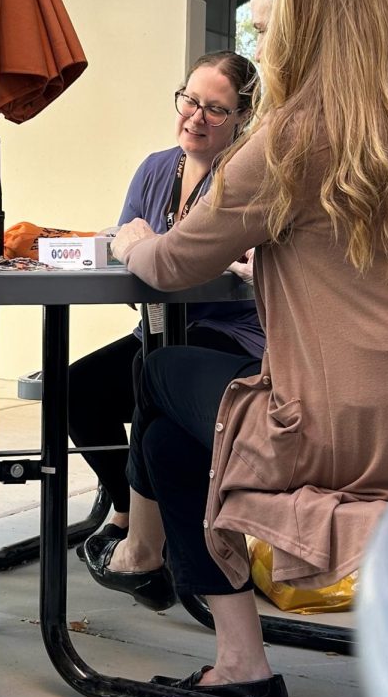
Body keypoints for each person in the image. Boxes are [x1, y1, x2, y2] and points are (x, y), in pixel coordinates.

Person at [88, 0, 388, 697]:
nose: (259, 39)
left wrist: (137, 236)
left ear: (312, 29)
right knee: (174, 436)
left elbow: (175, 265)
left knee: (158, 372)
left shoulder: (290, 135)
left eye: (269, 27)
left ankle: (159, 568)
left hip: (341, 432)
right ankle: (215, 628)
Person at [68, 52, 263, 591]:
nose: (196, 117)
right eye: (190, 101)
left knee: (150, 379)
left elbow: (213, 266)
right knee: (77, 390)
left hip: (228, 331)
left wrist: (150, 251)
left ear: (243, 118)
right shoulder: (156, 167)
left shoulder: (244, 174)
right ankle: (130, 513)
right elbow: (128, 242)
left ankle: (151, 543)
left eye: (216, 110)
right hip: (153, 325)